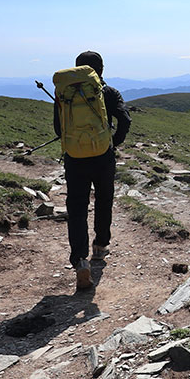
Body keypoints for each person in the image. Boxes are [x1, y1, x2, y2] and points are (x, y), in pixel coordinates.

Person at [53, 51, 131, 290]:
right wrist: (112, 142)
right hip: (102, 156)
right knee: (104, 199)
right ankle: (100, 245)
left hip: (75, 158)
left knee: (76, 207)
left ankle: (80, 260)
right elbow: (125, 120)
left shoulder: (64, 94)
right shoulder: (108, 92)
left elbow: (59, 129)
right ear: (101, 70)